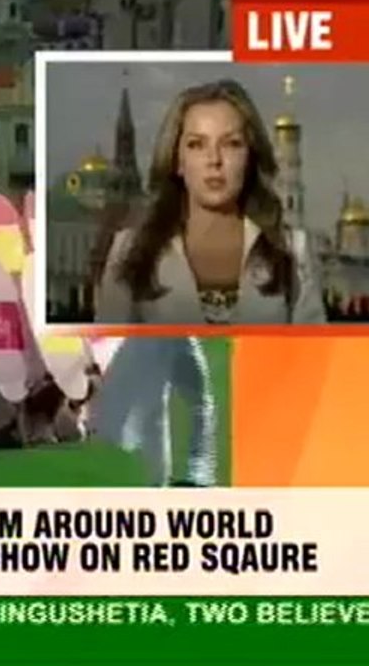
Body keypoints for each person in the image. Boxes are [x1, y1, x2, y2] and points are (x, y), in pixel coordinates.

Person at [95, 79, 326, 324]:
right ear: (177, 160)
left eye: (231, 144)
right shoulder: (132, 249)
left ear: (250, 158)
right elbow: (110, 354)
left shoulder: (292, 250)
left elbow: (320, 356)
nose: (214, 160)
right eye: (197, 144)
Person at [87, 337, 217, 487]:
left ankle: (166, 476)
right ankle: (197, 472)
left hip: (153, 340)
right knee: (196, 404)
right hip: (174, 338)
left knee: (158, 406)